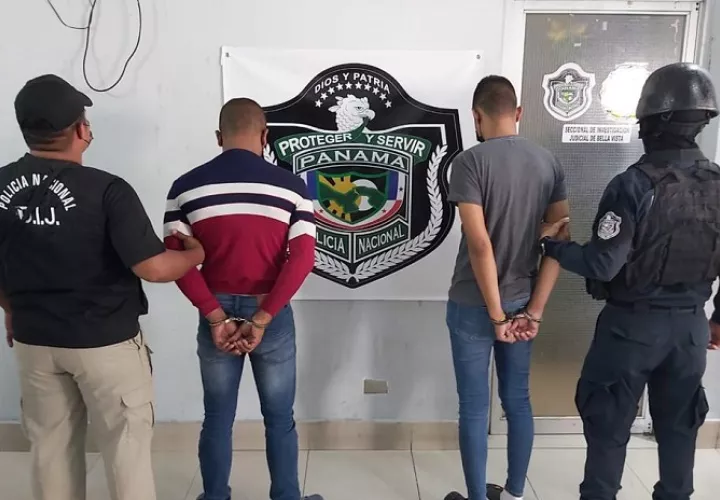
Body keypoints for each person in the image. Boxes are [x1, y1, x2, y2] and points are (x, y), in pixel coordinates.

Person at [0, 75, 205, 500]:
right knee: (125, 452)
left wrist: (10, 310)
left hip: (35, 341)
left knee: (50, 452)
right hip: (105, 343)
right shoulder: (106, 190)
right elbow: (153, 267)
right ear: (80, 130)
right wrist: (194, 254)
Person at [540, 62, 720, 500]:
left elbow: (603, 265)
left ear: (649, 122)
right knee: (679, 430)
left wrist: (554, 247)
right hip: (690, 330)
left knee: (608, 427)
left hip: (630, 331)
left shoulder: (633, 185)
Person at [163, 98, 322, 500]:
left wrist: (215, 316)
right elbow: (303, 259)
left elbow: (176, 261)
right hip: (270, 310)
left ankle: (215, 495)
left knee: (217, 417)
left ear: (219, 137)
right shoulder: (292, 187)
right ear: (265, 136)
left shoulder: (184, 188)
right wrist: (263, 317)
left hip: (215, 309)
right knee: (280, 418)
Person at [444, 76, 570, 500]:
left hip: (472, 303)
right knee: (517, 400)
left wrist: (496, 316)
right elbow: (561, 241)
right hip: (522, 302)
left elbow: (480, 244)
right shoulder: (548, 162)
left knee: (473, 407)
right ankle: (515, 491)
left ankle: (478, 496)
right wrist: (534, 311)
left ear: (476, 117)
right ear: (518, 113)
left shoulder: (469, 162)